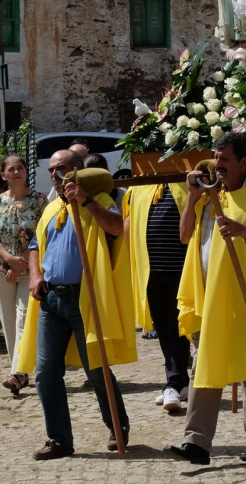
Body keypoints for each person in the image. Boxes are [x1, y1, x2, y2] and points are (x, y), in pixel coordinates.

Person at [170, 133, 246, 465]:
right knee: (204, 367)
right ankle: (197, 443)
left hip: (242, 294)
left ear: (244, 162)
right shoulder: (210, 195)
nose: (218, 166)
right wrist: (192, 198)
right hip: (207, 294)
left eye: (224, 160)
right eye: (216, 159)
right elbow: (185, 236)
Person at [19, 150, 135, 459]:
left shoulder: (101, 199)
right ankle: (59, 440)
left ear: (78, 171)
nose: (55, 175)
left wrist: (85, 201)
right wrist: (34, 274)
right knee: (45, 373)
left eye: (63, 169)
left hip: (85, 298)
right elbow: (33, 245)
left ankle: (117, 426)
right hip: (50, 300)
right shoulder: (50, 207)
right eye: (52, 169)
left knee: (96, 368)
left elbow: (115, 227)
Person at [125, 181, 191, 412]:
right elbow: (130, 225)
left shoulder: (189, 184)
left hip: (186, 271)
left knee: (188, 327)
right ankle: (176, 381)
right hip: (152, 272)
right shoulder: (140, 188)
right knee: (165, 330)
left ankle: (192, 382)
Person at [0, 156, 47, 396]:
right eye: (11, 168)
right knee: (8, 323)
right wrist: (8, 259)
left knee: (23, 319)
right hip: (3, 270)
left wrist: (21, 263)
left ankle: (18, 372)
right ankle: (20, 372)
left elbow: (43, 232)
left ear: (26, 172)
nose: (16, 171)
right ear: (3, 175)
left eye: (20, 167)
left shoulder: (39, 200)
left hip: (30, 269)